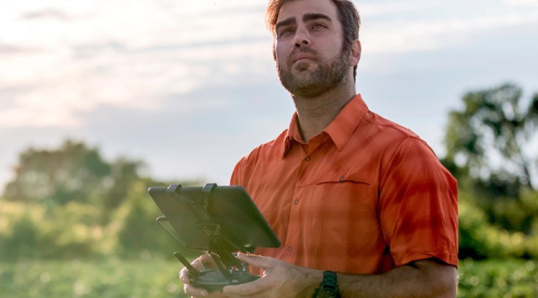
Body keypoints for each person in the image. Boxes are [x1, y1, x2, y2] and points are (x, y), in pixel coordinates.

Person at [179, 0, 459, 297]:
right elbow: (244, 270)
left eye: (318, 25)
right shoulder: (250, 167)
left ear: (353, 51)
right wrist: (217, 275)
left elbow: (436, 288)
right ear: (276, 54)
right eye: (286, 31)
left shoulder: (404, 155)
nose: (300, 37)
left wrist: (312, 284)